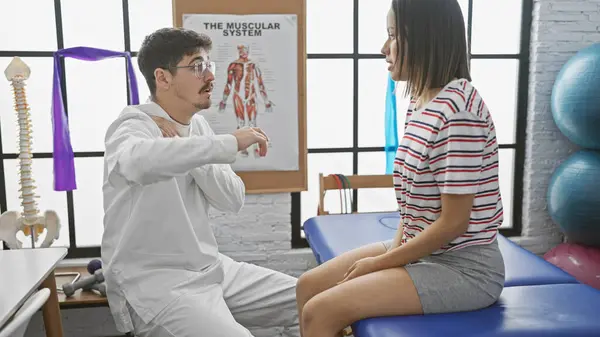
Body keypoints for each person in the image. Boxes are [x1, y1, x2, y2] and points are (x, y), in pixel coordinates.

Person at [295, 1, 505, 336]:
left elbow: (454, 222)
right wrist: (394, 254)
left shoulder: (458, 112)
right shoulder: (420, 102)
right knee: (309, 286)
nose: (383, 48)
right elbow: (412, 209)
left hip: (465, 269)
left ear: (425, 38)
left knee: (320, 311)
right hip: (424, 252)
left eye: (393, 36)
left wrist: (380, 264)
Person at [101, 27, 299, 337]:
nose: (210, 76)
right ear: (163, 78)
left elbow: (232, 199)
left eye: (209, 65)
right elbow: (136, 163)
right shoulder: (132, 125)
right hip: (155, 284)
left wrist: (190, 141)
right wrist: (228, 142)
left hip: (210, 269)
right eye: (197, 66)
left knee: (314, 296)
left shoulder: (197, 127)